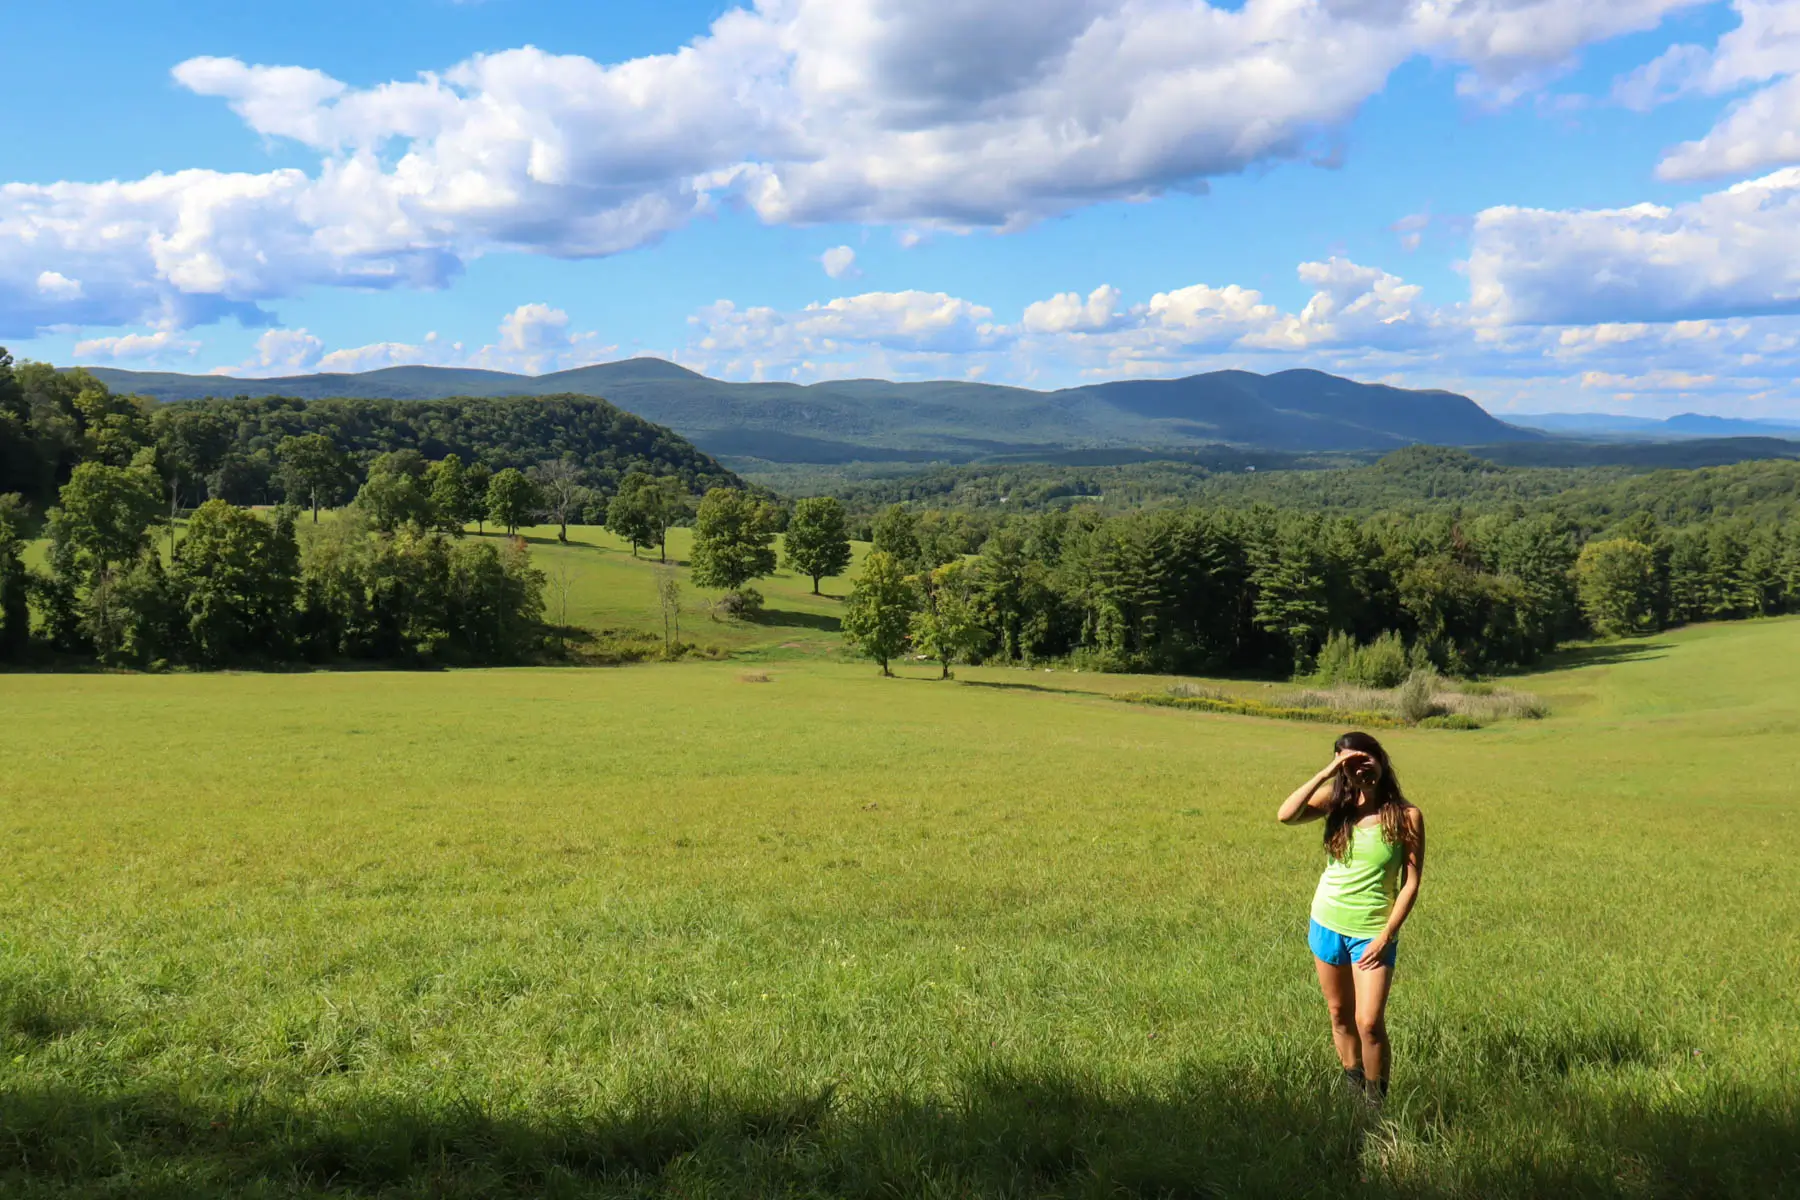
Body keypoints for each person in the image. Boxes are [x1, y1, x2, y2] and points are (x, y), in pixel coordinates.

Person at [1276, 731, 1425, 1105]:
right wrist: (1328, 772)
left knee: (1369, 1023)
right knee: (1340, 1014)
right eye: (1350, 765)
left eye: (1365, 760)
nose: (1360, 770)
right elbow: (1286, 815)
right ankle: (1353, 1086)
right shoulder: (1336, 803)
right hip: (1326, 922)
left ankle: (1377, 1103)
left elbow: (1411, 884)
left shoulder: (1406, 816)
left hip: (1372, 933)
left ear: (1380, 758)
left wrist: (1386, 935)